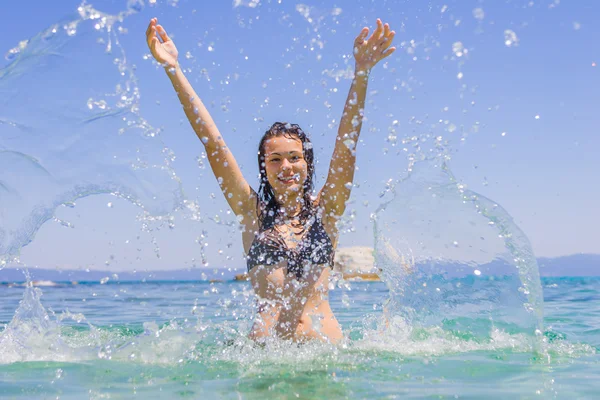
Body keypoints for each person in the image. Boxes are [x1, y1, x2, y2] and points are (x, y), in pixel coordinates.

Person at [145, 17, 395, 344]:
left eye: (294, 157)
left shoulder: (328, 209)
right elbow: (212, 143)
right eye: (275, 160)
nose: (286, 166)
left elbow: (347, 143)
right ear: (264, 168)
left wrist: (361, 73)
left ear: (307, 163)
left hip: (325, 357)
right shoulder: (252, 213)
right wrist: (173, 70)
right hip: (265, 359)